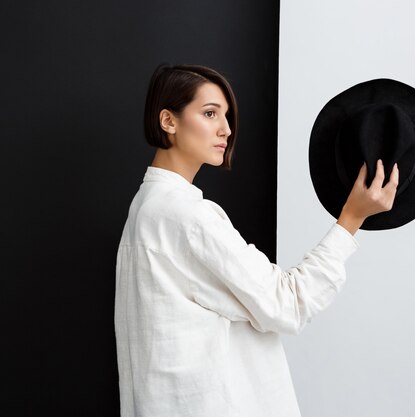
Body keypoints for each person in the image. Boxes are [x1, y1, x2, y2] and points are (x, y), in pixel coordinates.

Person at [114, 63, 399, 417]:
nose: (226, 129)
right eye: (209, 113)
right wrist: (351, 219)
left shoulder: (146, 208)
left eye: (227, 116)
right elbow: (287, 302)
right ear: (168, 121)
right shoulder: (185, 216)